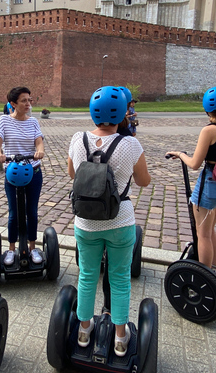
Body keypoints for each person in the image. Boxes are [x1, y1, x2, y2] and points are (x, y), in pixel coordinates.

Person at [68, 86, 151, 357]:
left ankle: (83, 330)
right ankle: (119, 336)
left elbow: (73, 175)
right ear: (123, 113)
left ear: (93, 112)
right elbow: (143, 181)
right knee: (119, 279)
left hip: (86, 223)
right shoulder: (131, 144)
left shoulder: (77, 139)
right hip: (120, 222)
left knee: (88, 276)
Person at [166, 86, 216, 277]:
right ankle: (215, 271)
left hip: (211, 183)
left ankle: (206, 278)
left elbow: (195, 164)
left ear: (207, 107)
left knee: (203, 234)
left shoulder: (210, 130)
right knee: (210, 230)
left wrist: (180, 154)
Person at [0, 87, 45, 266]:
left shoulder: (33, 122)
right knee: (14, 213)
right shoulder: (4, 120)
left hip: (33, 172)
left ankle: (32, 248)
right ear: (13, 104)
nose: (28, 104)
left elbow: (39, 142)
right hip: (12, 174)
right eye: (24, 101)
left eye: (29, 100)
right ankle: (12, 249)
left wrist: (39, 151)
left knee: (32, 211)